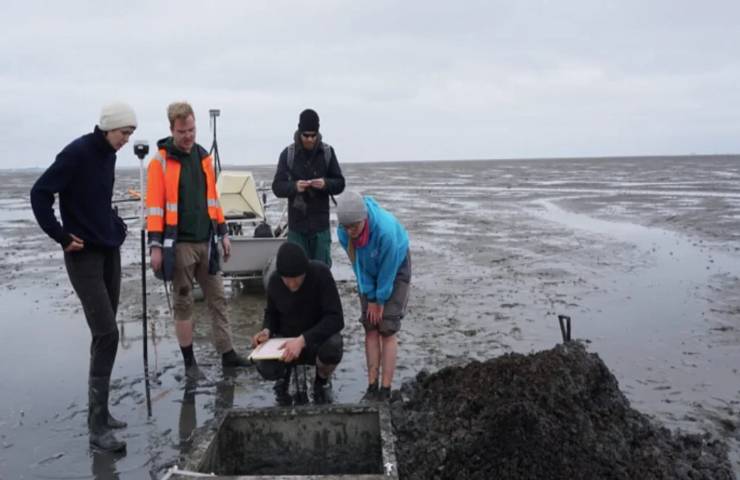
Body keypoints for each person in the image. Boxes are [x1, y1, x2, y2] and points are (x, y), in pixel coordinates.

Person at [30, 102, 137, 452]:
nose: (126, 140)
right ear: (108, 128)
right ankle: (96, 428)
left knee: (104, 335)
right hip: (82, 255)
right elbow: (40, 193)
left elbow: (97, 200)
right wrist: (60, 235)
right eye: (124, 133)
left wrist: (115, 226)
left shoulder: (109, 154)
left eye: (130, 134)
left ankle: (101, 412)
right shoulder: (76, 153)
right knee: (107, 332)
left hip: (109, 250)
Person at [146, 101, 249, 380]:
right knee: (184, 304)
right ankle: (189, 363)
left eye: (192, 129)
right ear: (172, 129)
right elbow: (154, 207)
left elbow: (213, 200)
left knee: (218, 299)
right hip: (178, 245)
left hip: (208, 242)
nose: (188, 136)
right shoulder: (160, 162)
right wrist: (155, 247)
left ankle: (228, 355)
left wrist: (224, 232)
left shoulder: (203, 157)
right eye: (182, 131)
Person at [336, 191, 411, 402]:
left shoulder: (385, 231)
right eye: (346, 226)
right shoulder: (343, 234)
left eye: (354, 226)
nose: (350, 231)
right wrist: (369, 295)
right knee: (370, 326)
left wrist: (379, 300)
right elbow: (357, 265)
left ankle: (385, 390)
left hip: (396, 266)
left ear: (364, 219)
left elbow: (388, 270)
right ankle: (372, 387)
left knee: (387, 328)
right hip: (367, 269)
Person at [251, 242, 344, 405]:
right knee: (264, 365)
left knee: (334, 347)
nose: (292, 284)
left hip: (315, 339)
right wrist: (266, 330)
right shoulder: (274, 281)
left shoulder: (321, 274)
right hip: (286, 340)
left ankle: (321, 381)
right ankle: (283, 377)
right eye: (287, 280)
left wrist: (303, 340)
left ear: (305, 272)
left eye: (297, 279)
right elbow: (271, 313)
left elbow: (336, 318)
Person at [272, 108, 345, 266]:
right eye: (306, 135)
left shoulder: (327, 152)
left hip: (321, 228)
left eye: (313, 135)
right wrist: (294, 187)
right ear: (299, 132)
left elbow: (340, 183)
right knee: (297, 272)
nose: (310, 139)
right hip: (297, 228)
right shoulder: (288, 154)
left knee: (322, 272)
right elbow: (277, 187)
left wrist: (325, 184)